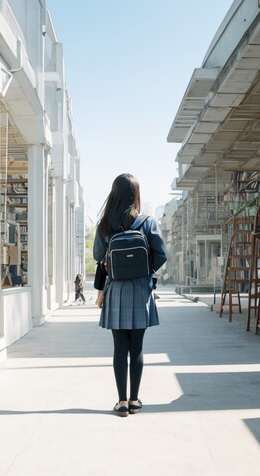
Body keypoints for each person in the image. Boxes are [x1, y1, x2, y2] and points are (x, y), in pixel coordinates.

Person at [93, 173, 167, 417]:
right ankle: (135, 400)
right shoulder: (148, 222)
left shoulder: (105, 225)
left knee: (119, 349)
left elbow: (97, 255)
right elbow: (161, 255)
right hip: (141, 290)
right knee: (137, 349)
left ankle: (121, 402)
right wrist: (146, 271)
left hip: (116, 290)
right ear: (136, 195)